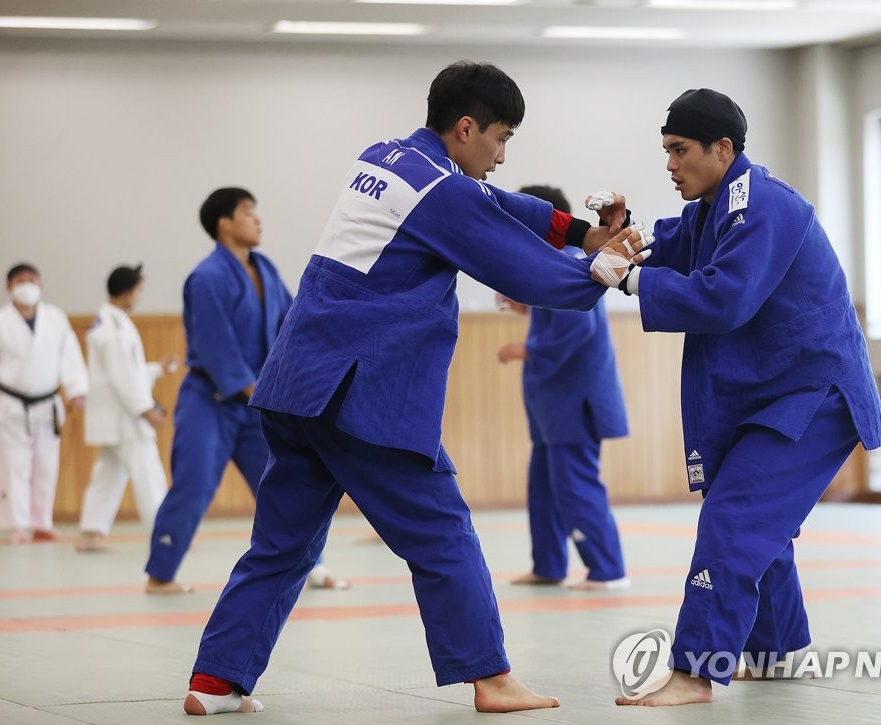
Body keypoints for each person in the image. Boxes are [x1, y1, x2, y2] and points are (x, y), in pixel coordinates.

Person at [179, 61, 645, 716]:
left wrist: (577, 232)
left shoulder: (386, 158)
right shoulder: (444, 195)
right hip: (362, 394)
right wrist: (604, 270)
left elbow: (498, 204)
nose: (503, 155)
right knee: (443, 529)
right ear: (465, 128)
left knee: (282, 544)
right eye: (500, 138)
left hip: (295, 386)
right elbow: (528, 273)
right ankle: (491, 676)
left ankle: (216, 679)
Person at [590, 88, 881, 707]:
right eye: (666, 151)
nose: (670, 164)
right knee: (760, 526)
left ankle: (695, 671)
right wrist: (621, 238)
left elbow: (723, 297)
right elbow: (666, 244)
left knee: (735, 517)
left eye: (679, 150)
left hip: (813, 394)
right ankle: (779, 652)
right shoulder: (712, 209)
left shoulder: (765, 206)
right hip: (775, 394)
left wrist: (632, 278)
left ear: (723, 149)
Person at [144, 187, 349, 594]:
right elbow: (216, 347)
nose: (257, 219)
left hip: (257, 403)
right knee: (194, 484)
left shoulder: (266, 270)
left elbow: (293, 321)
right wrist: (264, 392)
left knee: (288, 482)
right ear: (225, 223)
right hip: (211, 400)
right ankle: (160, 575)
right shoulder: (206, 278)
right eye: (248, 212)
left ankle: (312, 566)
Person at [499, 185, 630, 591]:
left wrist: (527, 346)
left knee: (575, 486)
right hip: (551, 405)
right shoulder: (548, 263)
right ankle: (549, 565)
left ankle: (609, 569)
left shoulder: (572, 259)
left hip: (573, 401)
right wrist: (527, 306)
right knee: (543, 488)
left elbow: (577, 327)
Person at [0, 263, 88, 544]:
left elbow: (71, 358)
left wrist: (77, 390)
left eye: (32, 279)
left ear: (41, 284)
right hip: (12, 403)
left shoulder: (56, 318)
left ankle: (42, 522)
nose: (27, 284)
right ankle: (18, 525)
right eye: (20, 280)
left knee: (47, 465)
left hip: (48, 402)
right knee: (15, 464)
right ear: (9, 287)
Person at [76, 265, 178, 553]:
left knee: (108, 473)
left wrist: (158, 368)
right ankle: (165, 535)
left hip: (118, 415)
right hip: (125, 417)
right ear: (129, 290)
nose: (139, 296)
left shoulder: (112, 322)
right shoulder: (111, 327)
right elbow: (123, 377)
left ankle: (91, 532)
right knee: (148, 473)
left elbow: (127, 372)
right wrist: (146, 410)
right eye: (139, 290)